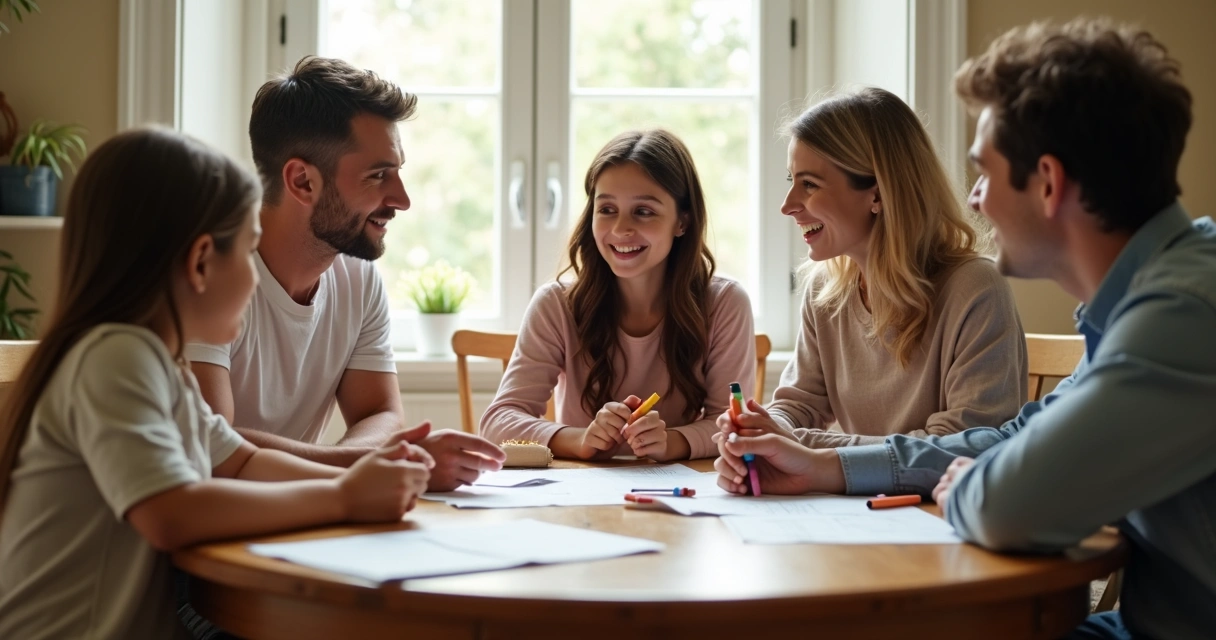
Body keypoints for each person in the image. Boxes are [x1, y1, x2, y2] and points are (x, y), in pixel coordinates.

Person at [716, 18, 1213, 639]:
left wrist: (976, 482)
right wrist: (825, 469)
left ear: (1050, 184)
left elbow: (1009, 503)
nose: (973, 199)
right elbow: (1015, 437)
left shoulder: (1183, 316)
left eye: (985, 172)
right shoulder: (1143, 305)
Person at [0, 128, 432, 640]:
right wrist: (343, 497)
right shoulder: (115, 357)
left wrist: (368, 476)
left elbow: (243, 462)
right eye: (249, 250)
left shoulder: (160, 368)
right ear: (202, 261)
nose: (255, 277)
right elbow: (171, 513)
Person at [186, 56, 504, 492]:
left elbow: (382, 416)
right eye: (378, 175)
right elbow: (212, 448)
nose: (403, 199)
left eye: (398, 173)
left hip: (298, 515)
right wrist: (370, 469)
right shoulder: (209, 277)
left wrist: (367, 468)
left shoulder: (358, 276)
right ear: (302, 182)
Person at [720, 86, 1026, 449]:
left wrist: (805, 448)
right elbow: (798, 403)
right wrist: (762, 426)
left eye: (809, 184)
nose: (788, 205)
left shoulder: (975, 289)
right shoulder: (825, 291)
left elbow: (965, 444)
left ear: (878, 194)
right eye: (792, 181)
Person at [480, 129, 755, 461]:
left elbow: (733, 424)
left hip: (683, 495)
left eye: (644, 211)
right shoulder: (556, 304)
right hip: (582, 497)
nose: (621, 229)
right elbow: (499, 421)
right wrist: (580, 439)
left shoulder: (725, 303)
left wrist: (672, 441)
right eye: (607, 209)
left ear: (682, 221)